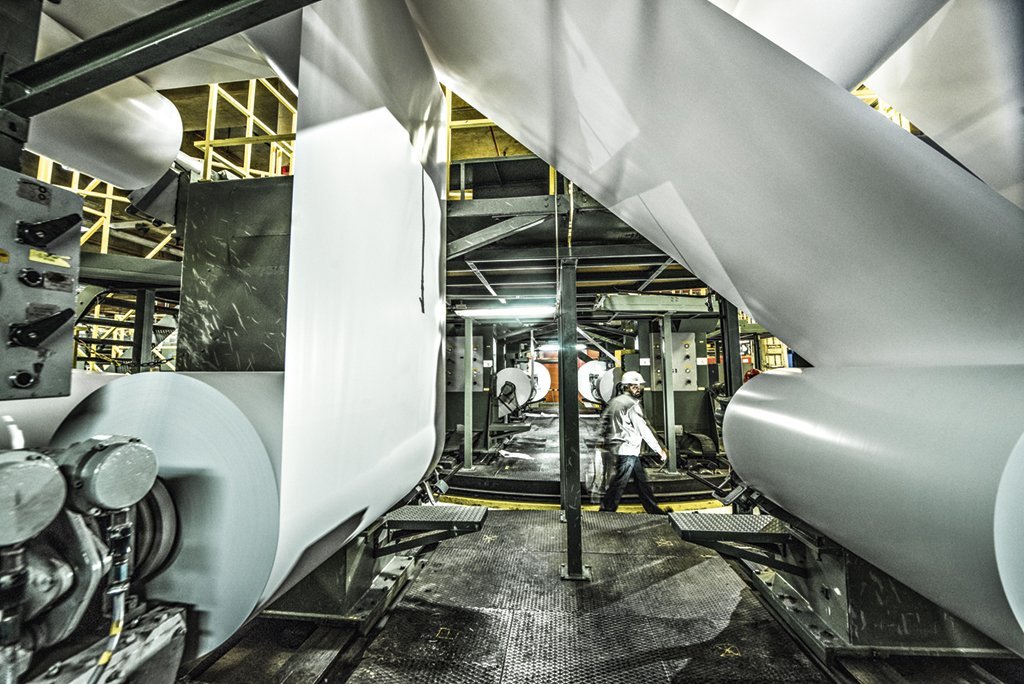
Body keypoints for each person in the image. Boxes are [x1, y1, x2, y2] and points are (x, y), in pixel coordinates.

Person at [599, 371, 669, 514]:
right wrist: (659, 449)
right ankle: (606, 511)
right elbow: (643, 429)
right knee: (618, 484)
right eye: (636, 386)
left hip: (622, 449)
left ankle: (654, 510)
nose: (639, 389)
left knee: (642, 483)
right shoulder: (632, 405)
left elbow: (604, 423)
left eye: (639, 386)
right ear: (629, 387)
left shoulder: (614, 402)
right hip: (628, 450)